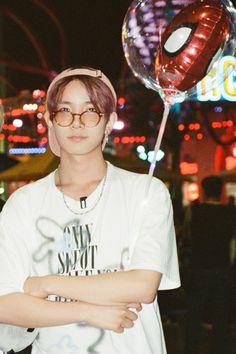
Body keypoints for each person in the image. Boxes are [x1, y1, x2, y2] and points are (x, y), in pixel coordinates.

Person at [0, 67, 180, 354]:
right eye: (65, 111)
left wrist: (45, 283)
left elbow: (142, 285)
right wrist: (87, 311)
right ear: (50, 120)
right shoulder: (24, 203)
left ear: (109, 122)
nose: (77, 122)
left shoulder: (146, 191)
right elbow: (5, 304)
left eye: (91, 111)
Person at [184, 175, 236, 354]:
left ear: (204, 190)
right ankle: (218, 348)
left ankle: (191, 347)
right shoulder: (231, 212)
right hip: (221, 267)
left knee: (194, 312)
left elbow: (188, 235)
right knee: (221, 314)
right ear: (221, 191)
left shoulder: (194, 210)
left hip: (199, 265)